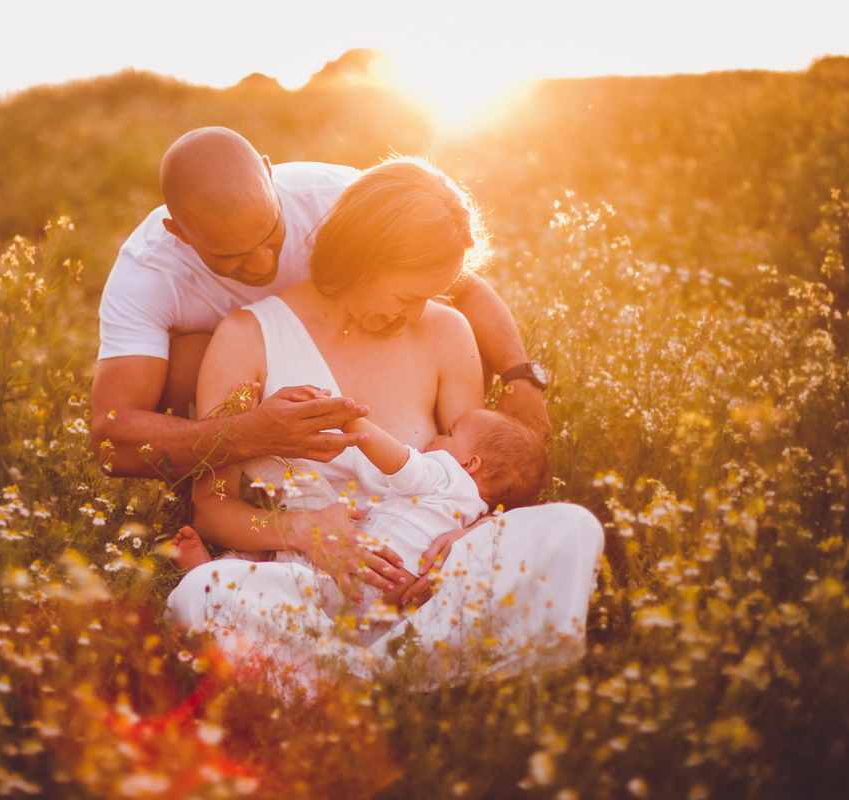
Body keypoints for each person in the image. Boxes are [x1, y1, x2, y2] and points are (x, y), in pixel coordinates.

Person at [166, 157, 603, 695]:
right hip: (311, 586)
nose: (419, 313)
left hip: (421, 589)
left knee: (573, 527)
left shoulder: (447, 332)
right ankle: (406, 676)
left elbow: (473, 484)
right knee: (204, 591)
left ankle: (338, 678)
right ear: (361, 259)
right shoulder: (245, 339)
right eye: (407, 296)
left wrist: (465, 536)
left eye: (431, 297)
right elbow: (210, 507)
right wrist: (302, 533)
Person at [90, 127, 551, 494]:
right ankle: (203, 498)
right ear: (180, 233)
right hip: (237, 372)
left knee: (443, 326)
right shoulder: (147, 274)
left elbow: (455, 282)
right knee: (189, 355)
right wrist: (250, 434)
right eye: (229, 257)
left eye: (270, 236)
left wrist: (521, 377)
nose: (262, 265)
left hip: (360, 358)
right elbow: (111, 440)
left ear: (269, 176)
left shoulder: (338, 201)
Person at [172, 400, 549, 618]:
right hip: (368, 608)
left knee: (302, 478)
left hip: (344, 559)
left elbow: (401, 462)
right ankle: (220, 576)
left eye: (450, 433)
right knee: (282, 577)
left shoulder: (448, 476)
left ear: (471, 464)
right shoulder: (476, 518)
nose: (437, 437)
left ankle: (234, 432)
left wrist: (350, 418)